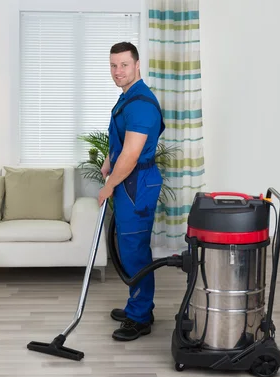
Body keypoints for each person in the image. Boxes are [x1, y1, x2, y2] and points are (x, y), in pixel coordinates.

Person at [98, 42, 165, 341]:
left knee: (135, 251)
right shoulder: (129, 97)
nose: (117, 71)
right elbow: (122, 144)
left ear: (137, 65)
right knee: (129, 248)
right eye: (113, 65)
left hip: (135, 182)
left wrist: (108, 185)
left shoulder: (140, 103)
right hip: (130, 179)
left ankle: (140, 318)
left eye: (124, 65)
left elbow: (132, 155)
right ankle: (138, 306)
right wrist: (108, 161)